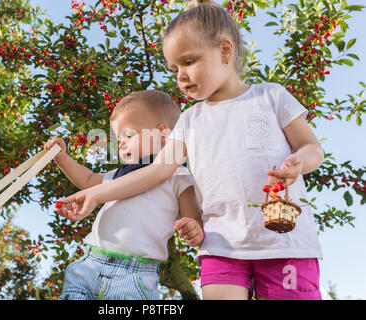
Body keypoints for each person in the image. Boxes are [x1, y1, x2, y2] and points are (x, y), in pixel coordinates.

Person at [60, 0, 325, 300]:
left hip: (285, 241)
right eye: (174, 68)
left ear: (225, 51)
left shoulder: (271, 97)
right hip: (221, 246)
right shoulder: (189, 120)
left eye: (188, 62)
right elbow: (156, 171)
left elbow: (311, 147)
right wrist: (95, 193)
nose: (180, 76)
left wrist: (298, 163)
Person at [46, 89, 203, 300]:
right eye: (118, 138)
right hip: (90, 263)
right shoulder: (117, 176)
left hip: (134, 275)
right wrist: (63, 159)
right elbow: (87, 180)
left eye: (128, 135)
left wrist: (193, 229)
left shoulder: (177, 175)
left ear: (163, 135)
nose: (120, 143)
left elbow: (193, 218)